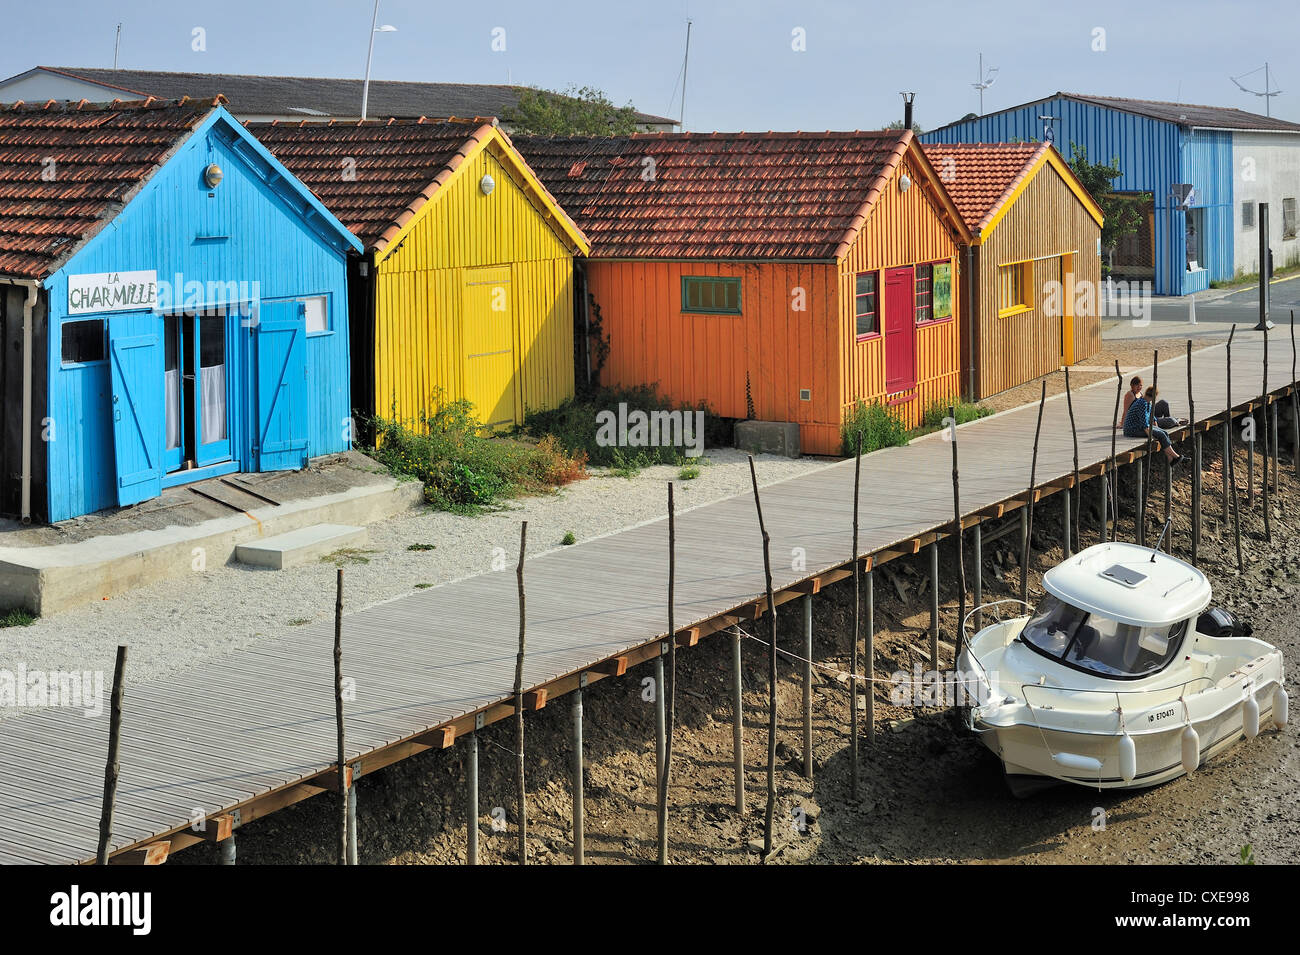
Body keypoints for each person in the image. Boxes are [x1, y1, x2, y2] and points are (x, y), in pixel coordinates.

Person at [1123, 386, 1186, 465]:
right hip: (1132, 429)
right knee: (1161, 434)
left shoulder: (1147, 402)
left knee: (1164, 432)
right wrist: (1151, 437)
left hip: (1139, 427)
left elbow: (1152, 418)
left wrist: (1157, 429)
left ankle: (1171, 459)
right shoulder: (1142, 404)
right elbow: (1144, 425)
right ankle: (1176, 457)